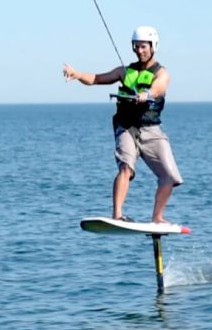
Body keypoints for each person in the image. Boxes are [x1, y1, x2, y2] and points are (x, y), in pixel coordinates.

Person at [63, 26, 183, 223]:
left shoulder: (161, 73)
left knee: (169, 177)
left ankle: (158, 217)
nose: (139, 50)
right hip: (126, 127)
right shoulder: (124, 71)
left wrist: (147, 94)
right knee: (126, 168)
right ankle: (117, 214)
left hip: (151, 129)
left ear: (153, 46)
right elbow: (96, 79)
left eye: (143, 46)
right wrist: (77, 74)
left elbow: (159, 87)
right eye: (136, 46)